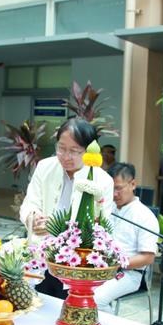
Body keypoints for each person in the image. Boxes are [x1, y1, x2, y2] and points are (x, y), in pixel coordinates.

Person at [20, 118, 113, 298]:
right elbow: (30, 202)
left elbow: (99, 226)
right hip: (40, 255)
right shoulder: (45, 166)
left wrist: (58, 227)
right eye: (61, 148)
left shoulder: (102, 181)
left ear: (88, 151)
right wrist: (34, 218)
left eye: (74, 151)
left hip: (75, 262)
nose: (65, 156)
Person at [94, 163, 158, 313]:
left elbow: (148, 258)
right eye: (111, 189)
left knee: (96, 299)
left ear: (133, 184)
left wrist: (116, 264)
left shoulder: (144, 216)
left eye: (119, 188)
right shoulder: (109, 209)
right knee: (73, 289)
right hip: (102, 267)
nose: (115, 194)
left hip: (129, 273)